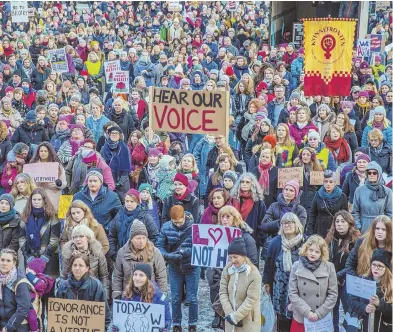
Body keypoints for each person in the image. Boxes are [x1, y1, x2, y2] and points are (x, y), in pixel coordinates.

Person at [157, 205, 199, 332]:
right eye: (175, 222)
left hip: (191, 267)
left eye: (180, 222)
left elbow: (199, 247)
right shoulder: (166, 227)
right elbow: (160, 245)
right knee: (175, 298)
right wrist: (168, 256)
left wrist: (185, 252)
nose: (178, 225)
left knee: (192, 298)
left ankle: (192, 324)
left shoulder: (194, 228)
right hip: (175, 267)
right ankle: (177, 324)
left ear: (184, 217)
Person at [263, 213, 306, 332]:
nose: (287, 225)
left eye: (290, 222)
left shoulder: (305, 242)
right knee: (282, 318)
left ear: (296, 224)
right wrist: (266, 282)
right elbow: (268, 265)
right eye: (284, 223)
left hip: (299, 287)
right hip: (280, 287)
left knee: (298, 316)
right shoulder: (275, 242)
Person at [288, 235, 338, 331]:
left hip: (321, 318)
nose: (313, 254)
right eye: (311, 250)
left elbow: (333, 294)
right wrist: (307, 312)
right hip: (301, 316)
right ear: (306, 249)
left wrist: (318, 313)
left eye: (317, 251)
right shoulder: (296, 266)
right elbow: (292, 293)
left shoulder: (329, 267)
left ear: (322, 253)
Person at [325, 211, 361, 332]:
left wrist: (337, 275)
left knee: (348, 309)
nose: (339, 224)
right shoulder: (330, 238)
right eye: (337, 221)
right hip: (332, 280)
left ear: (349, 223)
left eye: (343, 221)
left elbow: (354, 265)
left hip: (348, 280)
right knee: (332, 310)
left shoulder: (355, 241)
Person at [112, 220, 167, 299]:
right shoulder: (122, 252)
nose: (141, 241)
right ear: (131, 239)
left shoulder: (155, 252)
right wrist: (117, 293)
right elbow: (118, 276)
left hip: (149, 295)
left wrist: (162, 295)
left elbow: (161, 276)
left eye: (144, 238)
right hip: (129, 295)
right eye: (138, 238)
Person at [55, 253, 111, 329]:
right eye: (75, 265)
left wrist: (101, 329)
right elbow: (57, 314)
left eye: (81, 265)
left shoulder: (96, 285)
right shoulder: (63, 286)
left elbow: (105, 314)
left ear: (87, 268)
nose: (77, 268)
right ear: (71, 267)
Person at [219, 237, 262, 331]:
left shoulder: (254, 273)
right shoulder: (227, 269)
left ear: (243, 256)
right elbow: (223, 292)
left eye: (235, 257)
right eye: (230, 257)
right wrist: (229, 312)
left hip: (248, 320)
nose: (232, 261)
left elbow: (251, 299)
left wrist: (236, 316)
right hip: (230, 320)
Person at [347, 248, 392, 332]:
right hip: (365, 327)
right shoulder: (362, 280)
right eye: (374, 265)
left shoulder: (391, 285)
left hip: (384, 327)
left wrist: (379, 304)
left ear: (386, 268)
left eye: (380, 266)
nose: (376, 268)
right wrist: (364, 308)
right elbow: (351, 301)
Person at [19, 188, 60, 279]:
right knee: (31, 287)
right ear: (30, 201)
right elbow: (22, 238)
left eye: (39, 199)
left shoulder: (52, 217)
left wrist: (44, 258)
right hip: (30, 258)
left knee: (46, 285)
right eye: (34, 199)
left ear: (44, 201)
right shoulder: (25, 216)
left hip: (47, 259)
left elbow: (55, 240)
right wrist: (28, 256)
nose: (36, 202)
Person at [108, 189, 158, 261]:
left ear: (137, 203)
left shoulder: (145, 217)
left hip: (140, 257)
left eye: (132, 201)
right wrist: (114, 254)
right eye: (127, 201)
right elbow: (112, 236)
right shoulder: (119, 215)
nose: (129, 204)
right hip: (121, 256)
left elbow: (154, 237)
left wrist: (145, 254)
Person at [118, 264, 172, 331]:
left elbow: (167, 319)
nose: (137, 278)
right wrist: (117, 327)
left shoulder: (159, 296)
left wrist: (164, 328)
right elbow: (121, 318)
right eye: (135, 274)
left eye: (141, 275)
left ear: (147, 278)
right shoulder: (128, 293)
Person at [61, 225, 109, 298]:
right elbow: (64, 276)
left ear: (88, 238)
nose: (77, 239)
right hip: (73, 293)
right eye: (75, 237)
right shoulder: (67, 254)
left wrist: (104, 296)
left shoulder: (98, 253)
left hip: (93, 292)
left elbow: (104, 276)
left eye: (81, 236)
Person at [73, 169, 122, 234]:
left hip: (104, 235)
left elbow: (119, 216)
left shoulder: (112, 197)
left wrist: (108, 228)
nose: (92, 184)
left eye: (95, 181)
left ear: (101, 182)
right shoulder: (78, 196)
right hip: (82, 235)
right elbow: (71, 215)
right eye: (90, 181)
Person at [261, 180, 307, 249]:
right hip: (275, 243)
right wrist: (281, 223)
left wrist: (275, 223)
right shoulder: (273, 206)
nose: (287, 192)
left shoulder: (300, 210)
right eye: (286, 189)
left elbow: (299, 229)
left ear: (296, 193)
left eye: (291, 190)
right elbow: (264, 226)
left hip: (294, 245)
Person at [230, 172, 266, 255]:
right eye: (242, 182)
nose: (244, 184)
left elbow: (262, 222)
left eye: (247, 182)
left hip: (252, 238)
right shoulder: (233, 199)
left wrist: (258, 239)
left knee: (252, 265)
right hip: (234, 237)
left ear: (252, 184)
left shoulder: (259, 202)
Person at [352, 161, 392, 234]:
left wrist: (384, 227)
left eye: (374, 173)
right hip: (364, 227)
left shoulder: (387, 191)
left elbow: (390, 213)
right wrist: (358, 227)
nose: (371, 175)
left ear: (379, 174)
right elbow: (355, 212)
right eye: (369, 173)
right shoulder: (359, 190)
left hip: (381, 228)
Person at [307, 170, 348, 237]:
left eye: (331, 182)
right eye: (326, 181)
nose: (328, 184)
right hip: (320, 229)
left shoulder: (342, 196)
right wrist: (309, 232)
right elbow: (313, 214)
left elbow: (346, 215)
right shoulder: (318, 194)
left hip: (336, 229)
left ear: (335, 183)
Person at [28, 142, 67, 209]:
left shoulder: (57, 166)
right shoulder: (33, 166)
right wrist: (37, 182)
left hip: (53, 198)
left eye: (45, 151)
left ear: (49, 152)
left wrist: (57, 184)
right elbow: (28, 182)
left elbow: (64, 183)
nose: (43, 153)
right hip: (37, 198)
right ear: (38, 152)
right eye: (41, 151)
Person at [0, 248, 30, 332]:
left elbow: (23, 309)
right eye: (2, 260)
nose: (4, 263)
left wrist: (8, 328)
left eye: (8, 261)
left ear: (14, 263)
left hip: (17, 325)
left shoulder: (20, 282)